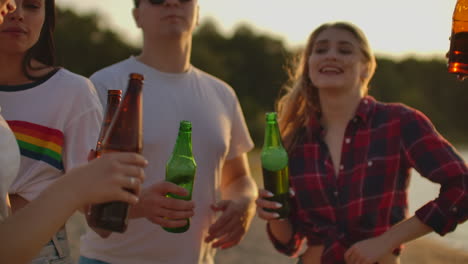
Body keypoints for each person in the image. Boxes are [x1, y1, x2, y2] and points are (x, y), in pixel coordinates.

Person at [256, 21, 468, 264]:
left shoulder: (398, 122)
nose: (331, 55)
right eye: (321, 50)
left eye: (344, 50)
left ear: (366, 68)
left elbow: (461, 186)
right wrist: (274, 215)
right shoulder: (293, 142)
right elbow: (289, 243)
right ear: (309, 66)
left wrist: (385, 241)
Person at [79, 0, 258, 264]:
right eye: (157, 0)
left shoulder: (222, 93)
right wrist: (137, 206)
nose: (172, 3)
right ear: (137, 15)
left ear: (198, 13)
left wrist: (245, 203)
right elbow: (80, 190)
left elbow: (239, 178)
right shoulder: (105, 84)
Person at [0, 1, 147, 264]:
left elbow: (94, 212)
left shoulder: (71, 92)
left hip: (38, 250)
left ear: (47, 19)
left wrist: (134, 200)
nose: (18, 14)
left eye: (32, 5)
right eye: (9, 2)